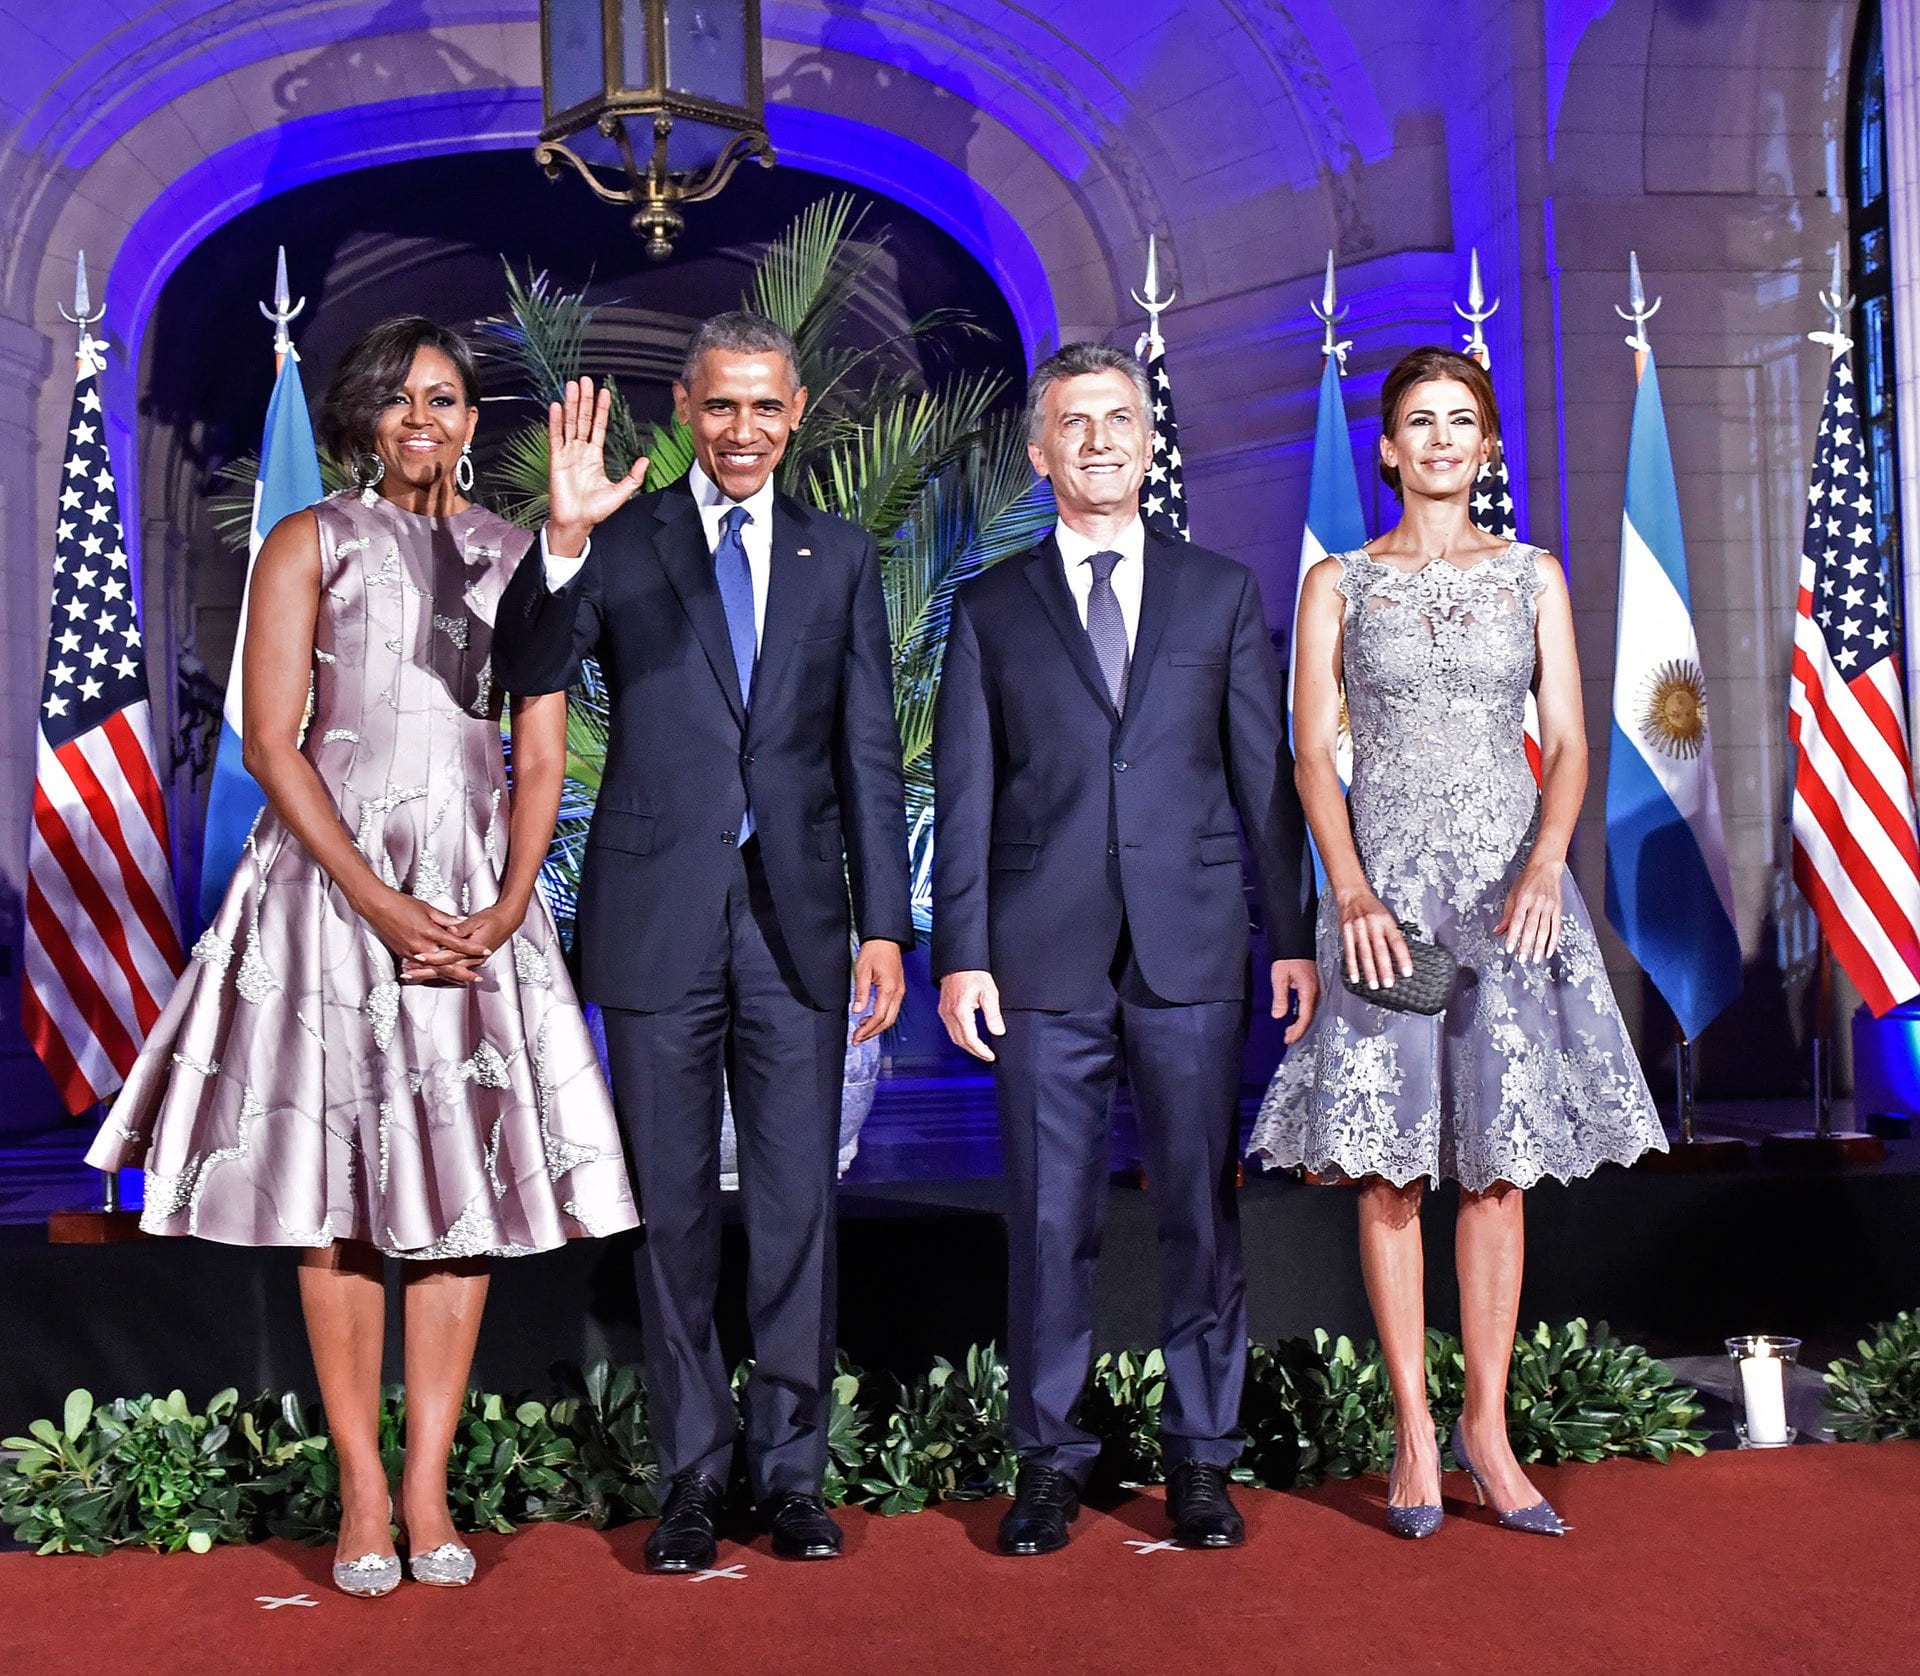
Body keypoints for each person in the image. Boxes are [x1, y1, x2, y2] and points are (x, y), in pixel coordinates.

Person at [87, 316, 639, 1596]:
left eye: (442, 398)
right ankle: (361, 1488)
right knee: (334, 1199)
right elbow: (274, 742)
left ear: (472, 419)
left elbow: (540, 748)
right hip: (332, 895)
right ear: (364, 421)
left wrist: (505, 905)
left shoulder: (518, 556)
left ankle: (433, 1485)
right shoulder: (310, 538)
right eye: (396, 400)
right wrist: (379, 902)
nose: (420, 420)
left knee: (459, 1202)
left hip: (471, 901)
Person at [493, 312, 912, 1573]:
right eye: (719, 406)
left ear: (797, 414)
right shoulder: (618, 541)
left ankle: (791, 1477)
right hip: (657, 922)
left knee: (797, 1211)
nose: (741, 430)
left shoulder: (840, 554)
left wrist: (886, 923)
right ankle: (690, 1478)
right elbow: (525, 662)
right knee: (672, 1215)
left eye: (763, 407)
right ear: (686, 409)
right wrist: (561, 536)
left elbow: (870, 757)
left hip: (801, 930)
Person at [1251, 345, 1665, 1539]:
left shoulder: (1533, 574)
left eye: (1461, 420)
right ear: (1385, 447)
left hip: (1506, 895)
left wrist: (1544, 865)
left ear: (1488, 443)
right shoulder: (1341, 583)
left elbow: (1575, 742)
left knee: (1494, 1163)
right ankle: (1415, 1434)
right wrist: (1350, 893)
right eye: (1419, 421)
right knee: (1389, 1162)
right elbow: (1311, 756)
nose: (1439, 438)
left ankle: (1488, 1425)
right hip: (1383, 897)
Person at [932, 342, 1319, 1555]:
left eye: (1119, 420)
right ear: (1039, 453)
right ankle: (1049, 1460)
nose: (1099, 440)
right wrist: (961, 950)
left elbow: (1264, 777)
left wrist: (1291, 934)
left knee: (1201, 1210)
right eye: (1074, 423)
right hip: (1041, 957)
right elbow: (967, 790)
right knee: (1052, 1219)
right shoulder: (991, 608)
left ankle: (1202, 1458)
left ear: (1148, 443)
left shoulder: (1214, 590)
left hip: (1193, 948)